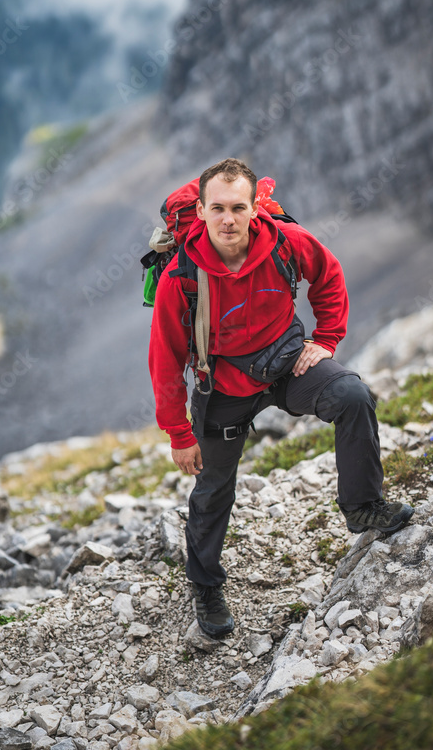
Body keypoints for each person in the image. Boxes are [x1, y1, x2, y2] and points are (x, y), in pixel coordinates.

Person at [148, 157, 413, 638]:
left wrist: (327, 339)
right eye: (218, 208)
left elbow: (328, 274)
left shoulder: (285, 242)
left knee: (352, 395)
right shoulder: (180, 276)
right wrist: (179, 433)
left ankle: (363, 506)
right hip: (222, 385)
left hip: (289, 363)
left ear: (254, 209)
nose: (228, 219)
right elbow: (165, 360)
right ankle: (206, 587)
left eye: (238, 207)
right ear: (203, 211)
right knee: (213, 488)